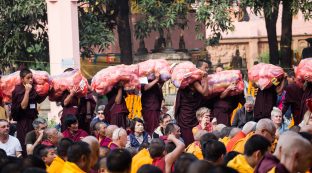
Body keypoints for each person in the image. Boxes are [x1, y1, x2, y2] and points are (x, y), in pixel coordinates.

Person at [11, 68, 48, 156]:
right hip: (23, 122)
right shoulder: (18, 90)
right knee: (25, 143)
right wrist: (27, 91)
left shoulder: (33, 88)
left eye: (31, 77)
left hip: (33, 120)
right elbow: (23, 106)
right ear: (22, 79)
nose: (30, 80)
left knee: (36, 141)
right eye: (28, 78)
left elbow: (38, 100)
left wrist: (47, 90)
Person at [175, 75, 209, 146]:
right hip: (186, 117)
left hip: (192, 116)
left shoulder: (194, 86)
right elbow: (205, 93)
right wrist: (206, 79)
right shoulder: (191, 82)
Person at [60, 68, 96, 133]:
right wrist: (72, 94)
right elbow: (65, 103)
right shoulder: (65, 89)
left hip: (81, 117)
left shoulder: (81, 86)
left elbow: (90, 95)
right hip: (69, 117)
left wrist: (86, 85)